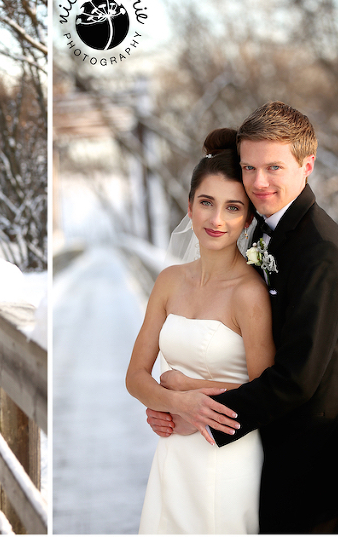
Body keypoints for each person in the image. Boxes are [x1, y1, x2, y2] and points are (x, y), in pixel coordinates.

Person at [147, 102, 338, 534]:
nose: (259, 182)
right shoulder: (266, 227)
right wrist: (174, 403)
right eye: (249, 168)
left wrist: (197, 408)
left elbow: (296, 379)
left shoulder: (319, 253)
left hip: (306, 466)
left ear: (307, 166)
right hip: (265, 449)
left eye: (274, 168)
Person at [126, 128, 276, 533]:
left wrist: (185, 390)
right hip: (174, 454)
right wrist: (173, 402)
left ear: (248, 219)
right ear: (189, 206)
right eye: (207, 203)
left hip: (226, 454)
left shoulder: (249, 294)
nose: (216, 219)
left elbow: (267, 393)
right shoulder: (169, 281)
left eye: (233, 208)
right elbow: (135, 376)